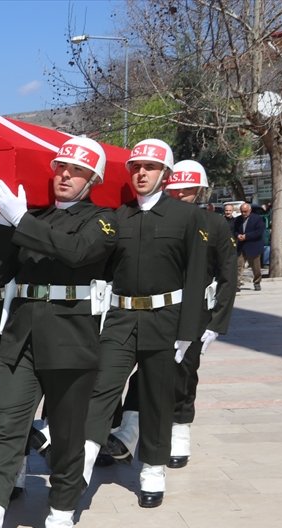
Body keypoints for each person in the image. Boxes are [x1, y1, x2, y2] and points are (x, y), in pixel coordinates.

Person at [0, 137, 117, 528]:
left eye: (75, 171)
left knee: (68, 431)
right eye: (60, 167)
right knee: (8, 426)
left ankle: (60, 514)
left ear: (91, 179)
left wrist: (21, 218)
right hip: (20, 336)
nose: (64, 175)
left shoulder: (104, 221)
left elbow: (77, 253)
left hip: (71, 338)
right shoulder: (29, 218)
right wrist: (2, 225)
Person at [81, 139, 209, 508]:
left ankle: (152, 467)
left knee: (156, 398)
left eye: (149, 168)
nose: (140, 173)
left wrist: (188, 333)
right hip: (120, 318)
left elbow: (197, 278)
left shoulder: (188, 218)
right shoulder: (119, 216)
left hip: (165, 319)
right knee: (102, 387)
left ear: (165, 175)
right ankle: (84, 460)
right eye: (135, 167)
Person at [95, 159, 238, 472]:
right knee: (147, 375)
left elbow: (229, 275)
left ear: (200, 190)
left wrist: (217, 322)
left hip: (196, 310)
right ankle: (129, 432)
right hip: (161, 310)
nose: (182, 195)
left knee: (183, 373)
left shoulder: (212, 223)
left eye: (189, 190)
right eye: (178, 189)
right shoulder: (160, 217)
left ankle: (180, 429)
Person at [235, 202, 265, 291]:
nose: (243, 214)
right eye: (242, 212)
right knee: (238, 266)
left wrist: (246, 236)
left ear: (250, 210)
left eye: (245, 211)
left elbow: (259, 232)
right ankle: (237, 284)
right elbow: (235, 230)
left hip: (253, 246)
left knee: (256, 267)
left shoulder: (257, 219)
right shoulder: (238, 219)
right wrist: (238, 235)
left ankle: (257, 282)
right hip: (241, 246)